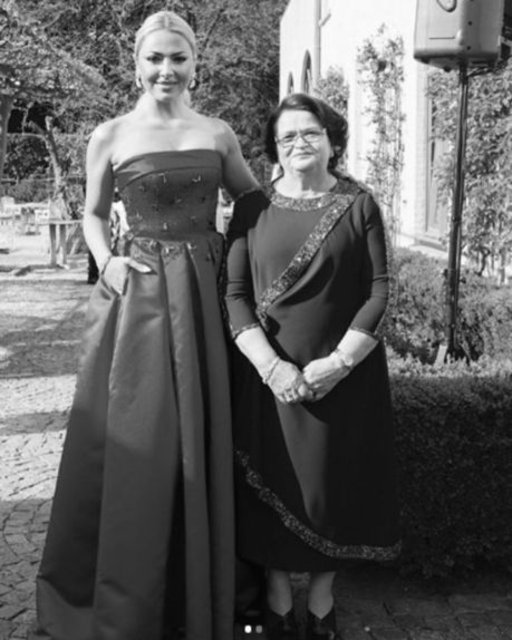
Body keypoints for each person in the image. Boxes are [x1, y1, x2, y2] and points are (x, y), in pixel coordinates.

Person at [35, 10, 259, 640]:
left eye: (178, 58)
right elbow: (92, 214)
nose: (167, 69)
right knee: (144, 435)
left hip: (207, 294)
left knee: (207, 430)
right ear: (136, 65)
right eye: (155, 58)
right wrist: (106, 260)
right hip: (143, 297)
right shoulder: (110, 134)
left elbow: (252, 201)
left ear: (195, 64)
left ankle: (203, 586)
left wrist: (320, 208)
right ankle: (136, 592)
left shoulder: (217, 133)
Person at [225, 93, 400, 640]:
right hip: (267, 379)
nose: (299, 143)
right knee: (271, 483)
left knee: (330, 489)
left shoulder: (359, 204)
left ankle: (322, 601)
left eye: (310, 133)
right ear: (274, 149)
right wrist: (271, 368)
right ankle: (277, 597)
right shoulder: (251, 208)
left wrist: (340, 363)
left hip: (342, 381)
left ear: (331, 140)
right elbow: (233, 294)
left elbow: (380, 290)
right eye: (287, 136)